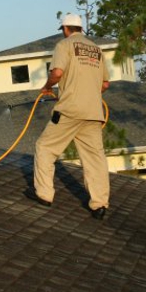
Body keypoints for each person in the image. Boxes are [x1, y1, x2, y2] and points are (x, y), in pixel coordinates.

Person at [24, 13, 110, 220]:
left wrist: (46, 87)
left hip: (70, 109)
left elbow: (58, 73)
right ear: (81, 29)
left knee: (45, 147)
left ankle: (44, 194)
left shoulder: (64, 45)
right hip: (93, 112)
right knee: (95, 159)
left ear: (65, 29)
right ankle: (99, 204)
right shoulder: (97, 50)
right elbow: (105, 85)